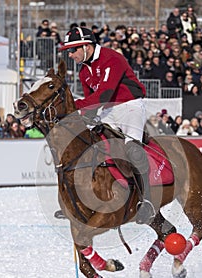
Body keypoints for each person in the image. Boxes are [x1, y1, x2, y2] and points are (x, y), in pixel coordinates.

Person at [60, 26, 155, 224]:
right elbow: (93, 104)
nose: (71, 54)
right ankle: (80, 198)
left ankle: (146, 202)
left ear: (87, 46)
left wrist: (72, 107)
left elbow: (104, 94)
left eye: (74, 49)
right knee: (86, 144)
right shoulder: (84, 73)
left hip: (130, 106)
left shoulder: (112, 58)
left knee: (132, 150)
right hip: (108, 110)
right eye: (69, 51)